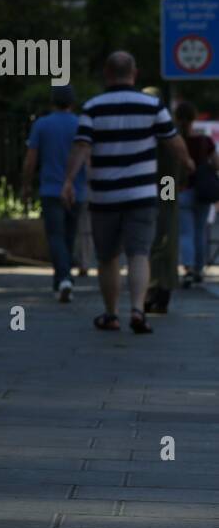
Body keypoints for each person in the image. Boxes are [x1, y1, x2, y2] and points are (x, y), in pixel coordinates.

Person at [61, 52, 194, 334]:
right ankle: (137, 310)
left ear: (107, 74)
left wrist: (69, 181)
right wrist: (188, 162)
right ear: (134, 72)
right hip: (142, 195)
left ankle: (111, 314)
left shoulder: (93, 108)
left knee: (108, 258)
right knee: (139, 254)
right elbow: (173, 142)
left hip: (105, 196)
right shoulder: (152, 105)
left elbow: (81, 147)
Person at [22, 85, 87, 302]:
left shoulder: (42, 124)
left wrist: (26, 184)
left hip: (51, 189)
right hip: (77, 189)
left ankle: (63, 279)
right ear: (73, 103)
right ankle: (63, 280)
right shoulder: (81, 124)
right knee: (69, 236)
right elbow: (89, 156)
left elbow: (31, 158)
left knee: (55, 236)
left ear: (52, 102)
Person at [145, 87, 181, 314]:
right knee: (159, 241)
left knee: (161, 240)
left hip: (161, 190)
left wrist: (166, 195)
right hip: (160, 189)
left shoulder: (159, 129)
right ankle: (156, 290)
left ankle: (158, 290)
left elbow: (170, 167)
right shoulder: (162, 127)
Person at [176, 101, 219, 286]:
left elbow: (167, 171)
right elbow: (217, 163)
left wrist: (166, 196)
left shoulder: (174, 140)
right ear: (194, 118)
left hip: (180, 191)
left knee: (185, 232)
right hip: (203, 191)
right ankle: (199, 269)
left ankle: (188, 267)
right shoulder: (205, 140)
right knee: (200, 231)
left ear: (176, 117)